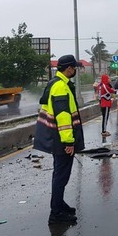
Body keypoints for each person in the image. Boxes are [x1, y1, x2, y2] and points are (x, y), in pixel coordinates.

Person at [34, 54, 85, 225]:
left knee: (59, 174)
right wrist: (68, 142)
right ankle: (56, 214)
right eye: (74, 67)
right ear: (69, 68)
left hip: (55, 137)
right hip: (60, 139)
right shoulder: (60, 87)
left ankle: (59, 204)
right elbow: (63, 117)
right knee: (61, 176)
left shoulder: (56, 83)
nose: (75, 70)